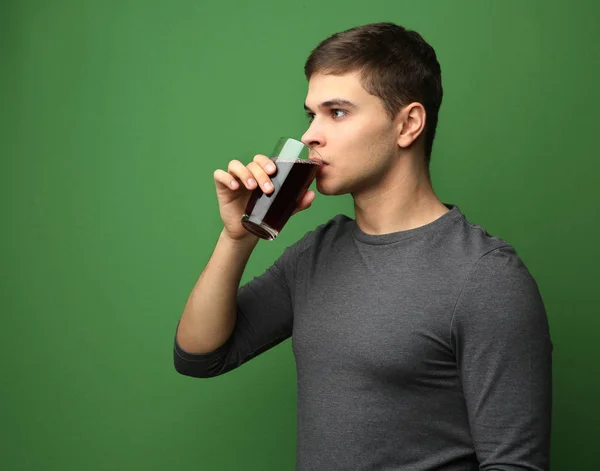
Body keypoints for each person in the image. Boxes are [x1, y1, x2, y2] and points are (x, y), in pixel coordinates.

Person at [173, 22, 553, 471]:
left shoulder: (486, 276)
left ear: (408, 124)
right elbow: (200, 357)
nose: (311, 134)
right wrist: (237, 237)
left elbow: (515, 465)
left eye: (336, 112)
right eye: (311, 114)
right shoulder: (318, 252)